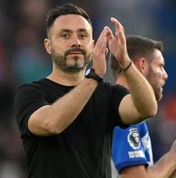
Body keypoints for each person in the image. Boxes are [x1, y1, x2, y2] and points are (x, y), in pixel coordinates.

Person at [14, 3, 158, 178]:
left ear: (92, 44)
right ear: (48, 45)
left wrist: (125, 62)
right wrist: (95, 77)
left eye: (82, 35)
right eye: (65, 35)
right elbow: (51, 123)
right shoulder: (31, 93)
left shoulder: (109, 95)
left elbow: (147, 109)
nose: (76, 42)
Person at [110, 35, 176, 178]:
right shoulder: (125, 113)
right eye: (160, 66)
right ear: (142, 65)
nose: (165, 75)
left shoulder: (116, 106)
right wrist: (175, 154)